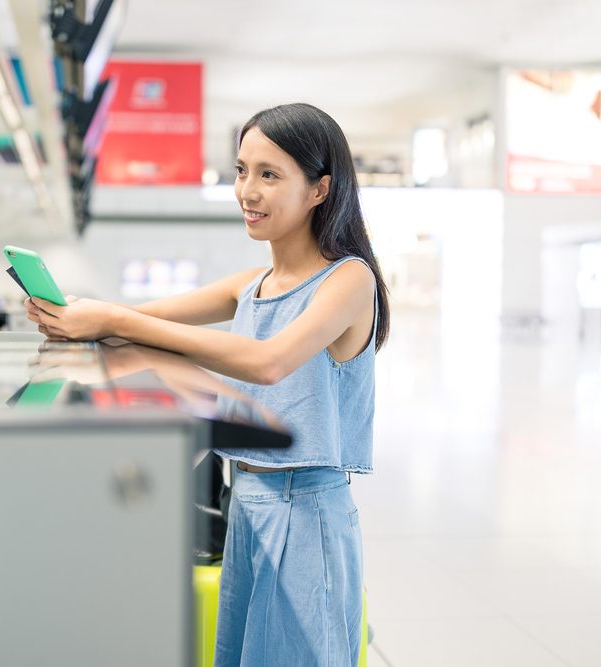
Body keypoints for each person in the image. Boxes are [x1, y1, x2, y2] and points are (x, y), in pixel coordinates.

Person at [27, 102, 390, 667]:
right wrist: (80, 317)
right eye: (242, 170)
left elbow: (269, 362)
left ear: (320, 189)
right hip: (246, 499)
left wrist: (116, 321)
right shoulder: (253, 283)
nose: (248, 190)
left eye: (270, 175)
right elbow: (142, 321)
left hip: (305, 511)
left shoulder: (348, 279)